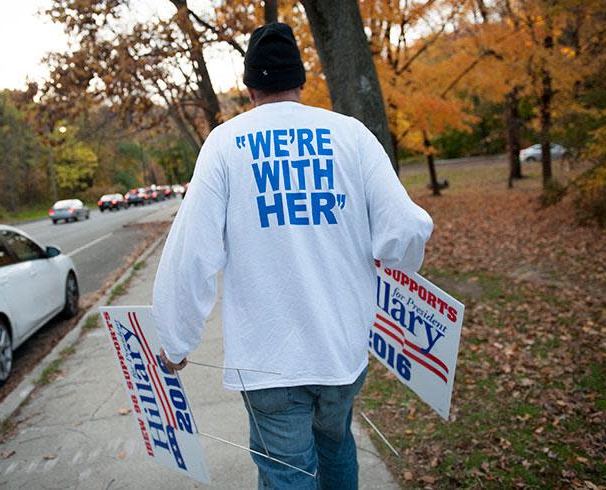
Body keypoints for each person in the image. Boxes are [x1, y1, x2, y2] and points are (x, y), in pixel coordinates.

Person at [152, 22, 433, 490]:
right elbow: (404, 229)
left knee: (287, 474)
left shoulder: (225, 144)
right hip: (341, 350)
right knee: (337, 445)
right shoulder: (351, 135)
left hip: (267, 361)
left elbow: (192, 253)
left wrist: (176, 340)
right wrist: (394, 263)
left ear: (249, 86)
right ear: (300, 81)